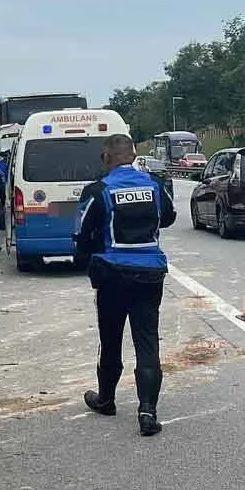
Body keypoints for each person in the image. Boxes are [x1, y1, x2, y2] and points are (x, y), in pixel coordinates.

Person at [73, 134, 176, 436]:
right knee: (147, 341)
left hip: (112, 275)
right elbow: (168, 217)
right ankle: (147, 413)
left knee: (110, 338)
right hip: (150, 275)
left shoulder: (98, 190)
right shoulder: (154, 184)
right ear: (132, 156)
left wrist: (87, 255)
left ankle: (106, 400)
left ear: (106, 158)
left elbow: (81, 233)